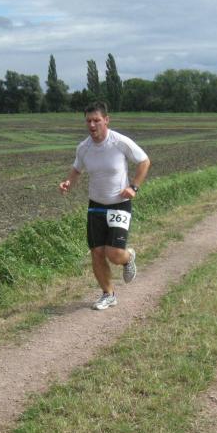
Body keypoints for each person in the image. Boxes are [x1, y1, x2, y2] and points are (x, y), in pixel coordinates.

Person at [59, 102, 151, 310]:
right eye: (88, 121)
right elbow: (76, 169)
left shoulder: (119, 142)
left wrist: (134, 187)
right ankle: (108, 294)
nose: (92, 125)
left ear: (106, 120)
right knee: (97, 252)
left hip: (119, 204)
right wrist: (68, 182)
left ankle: (128, 258)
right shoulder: (84, 148)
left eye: (96, 120)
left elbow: (144, 161)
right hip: (96, 206)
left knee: (114, 254)